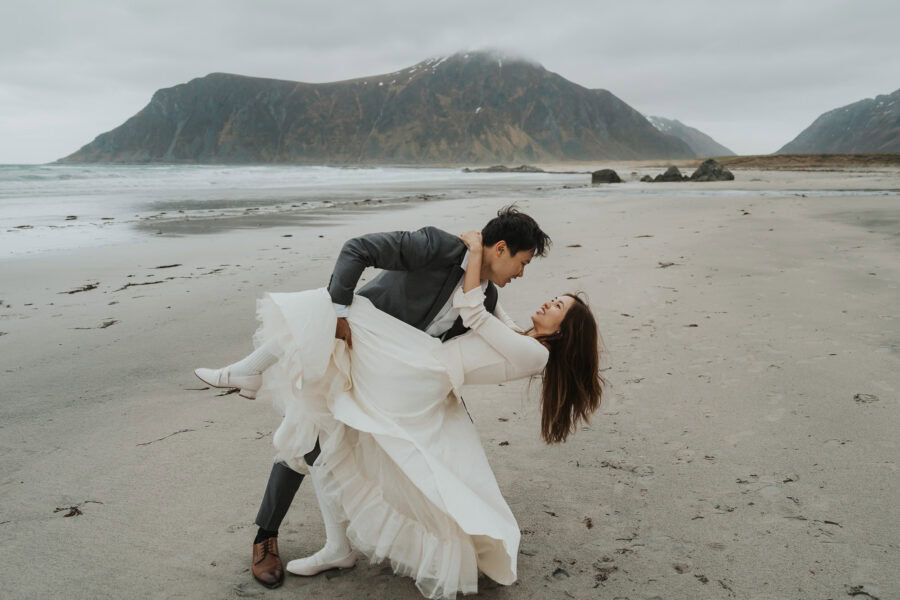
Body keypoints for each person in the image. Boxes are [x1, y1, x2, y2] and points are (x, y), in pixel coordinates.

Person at [196, 226, 605, 598]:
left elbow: (474, 313)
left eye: (557, 305)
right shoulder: (444, 253)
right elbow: (359, 250)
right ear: (503, 248)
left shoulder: (525, 343)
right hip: (401, 359)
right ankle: (318, 542)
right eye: (523, 263)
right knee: (318, 416)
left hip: (413, 374)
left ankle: (247, 371)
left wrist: (477, 252)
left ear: (565, 330)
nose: (525, 277)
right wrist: (473, 254)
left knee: (333, 312)